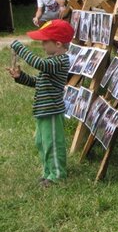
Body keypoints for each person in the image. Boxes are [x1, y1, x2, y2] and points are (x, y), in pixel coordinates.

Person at [7, 19, 74, 187]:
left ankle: (57, 175)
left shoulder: (60, 62)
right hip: (43, 111)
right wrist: (20, 77)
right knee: (42, 142)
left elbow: (39, 63)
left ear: (58, 44)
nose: (42, 44)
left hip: (51, 111)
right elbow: (39, 82)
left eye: (45, 41)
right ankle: (48, 172)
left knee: (53, 143)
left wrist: (20, 48)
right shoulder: (52, 62)